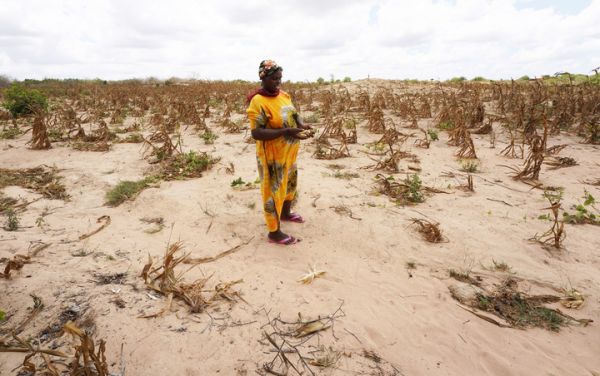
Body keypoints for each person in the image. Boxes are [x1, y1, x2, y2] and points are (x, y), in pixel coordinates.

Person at [246, 60, 311, 245]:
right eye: (274, 79)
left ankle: (285, 214)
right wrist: (285, 132)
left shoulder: (283, 95)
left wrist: (301, 124)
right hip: (272, 157)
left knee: (289, 185)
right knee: (273, 191)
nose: (278, 82)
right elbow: (256, 133)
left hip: (289, 153)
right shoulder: (257, 101)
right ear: (263, 78)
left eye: (280, 78)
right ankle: (274, 232)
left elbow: (293, 114)